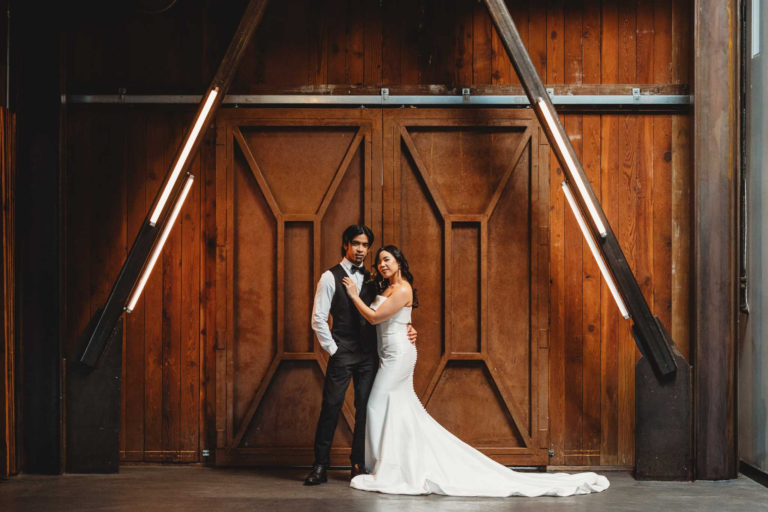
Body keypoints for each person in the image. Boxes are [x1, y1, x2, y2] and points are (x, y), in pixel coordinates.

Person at [341, 245, 611, 497]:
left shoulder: (402, 289)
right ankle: (394, 463)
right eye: (379, 261)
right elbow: (392, 319)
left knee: (376, 405)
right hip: (388, 354)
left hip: (399, 355)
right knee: (395, 409)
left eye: (387, 259)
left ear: (399, 262)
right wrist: (408, 326)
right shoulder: (385, 288)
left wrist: (353, 294)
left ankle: (388, 468)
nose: (382, 264)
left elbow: (375, 317)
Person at [304, 226, 417, 485]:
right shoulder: (329, 277)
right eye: (356, 243)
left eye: (365, 245)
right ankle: (320, 466)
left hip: (368, 356)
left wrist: (409, 326)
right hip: (342, 353)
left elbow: (391, 310)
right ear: (346, 244)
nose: (360, 250)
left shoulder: (374, 279)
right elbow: (318, 319)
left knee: (365, 409)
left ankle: (358, 465)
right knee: (331, 408)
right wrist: (334, 349)